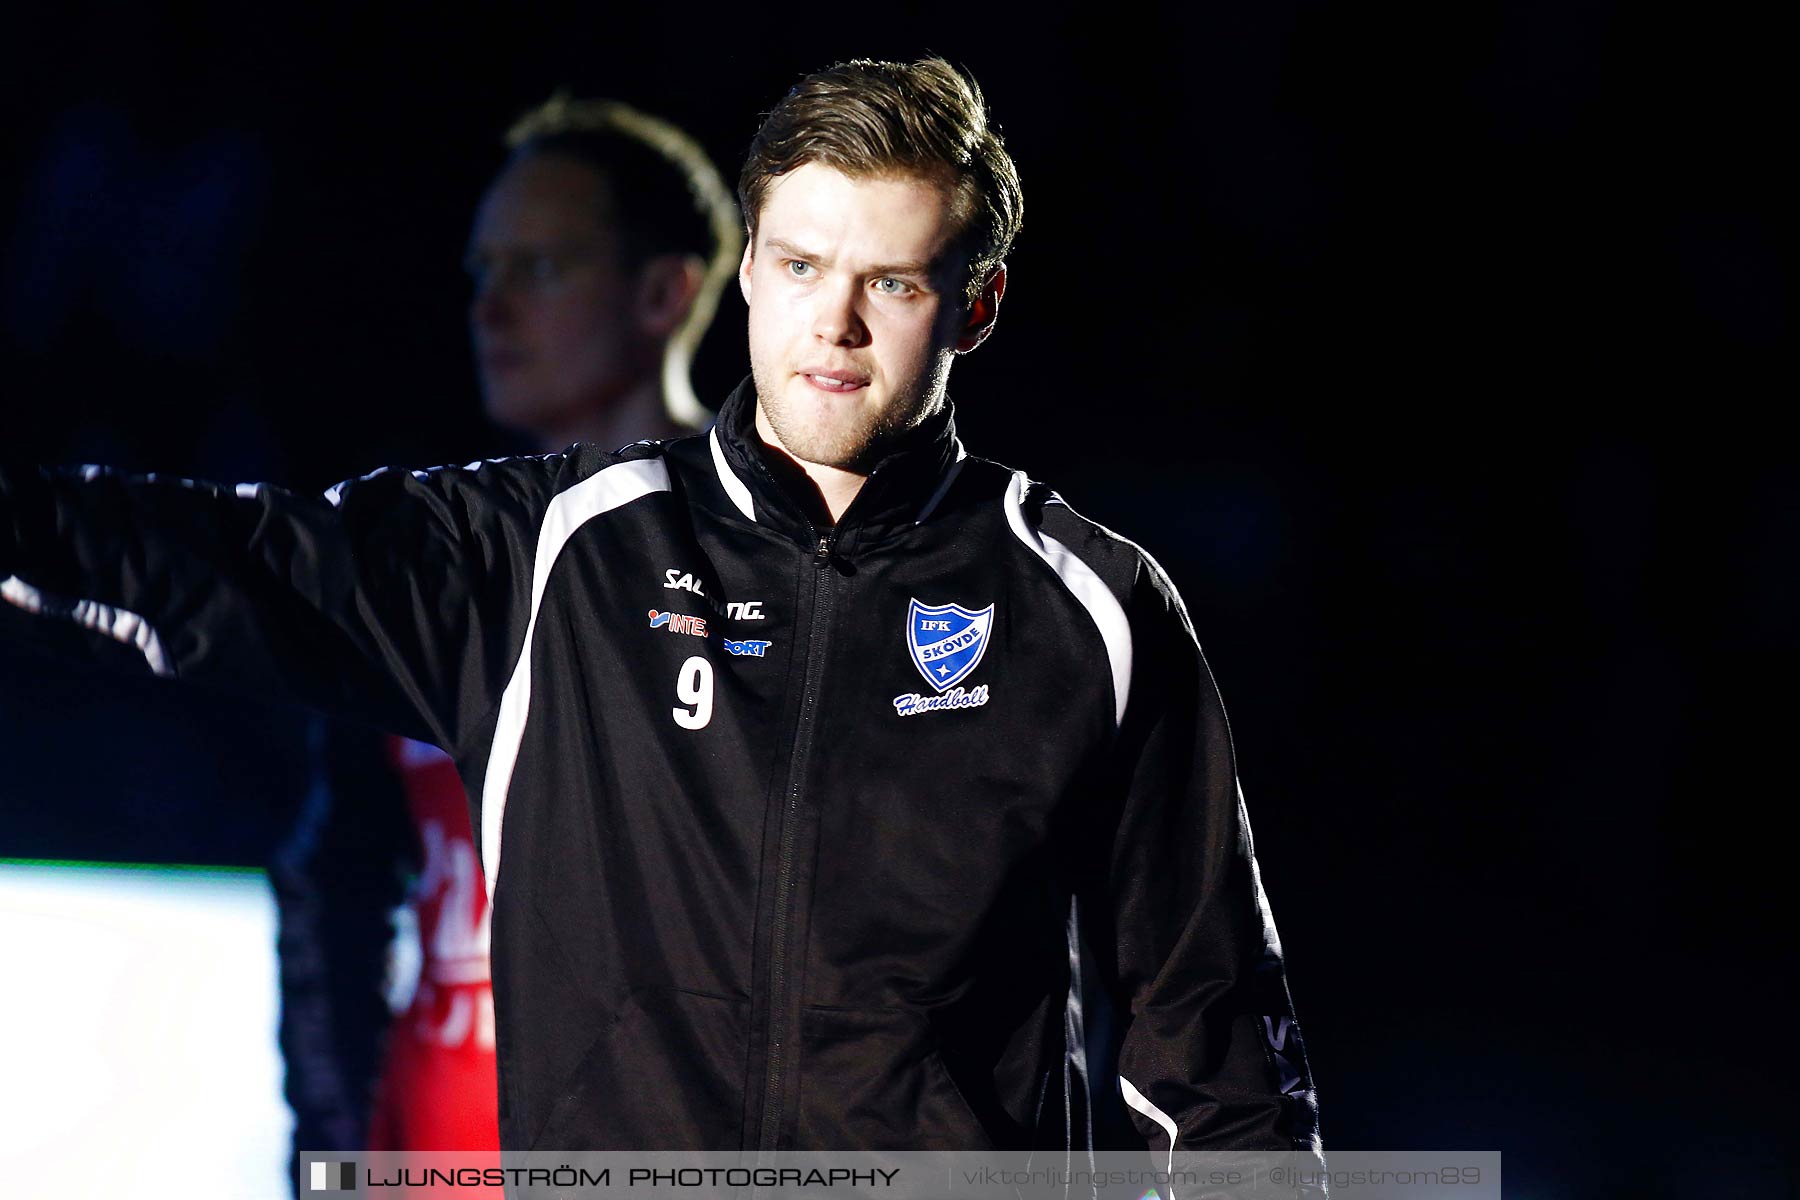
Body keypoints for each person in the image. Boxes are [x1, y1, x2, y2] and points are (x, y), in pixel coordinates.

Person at [1, 56, 1320, 1155]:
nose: (837, 326)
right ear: (746, 272)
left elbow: (1218, 1061)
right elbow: (211, 557)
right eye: (802, 266)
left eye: (894, 283)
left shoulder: (1089, 608)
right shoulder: (553, 550)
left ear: (974, 306)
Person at [272, 93, 743, 1172]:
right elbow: (333, 885)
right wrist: (334, 1151)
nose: (492, 308)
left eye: (539, 269)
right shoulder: (426, 557)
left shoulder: (789, 567)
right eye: (483, 272)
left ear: (664, 290)